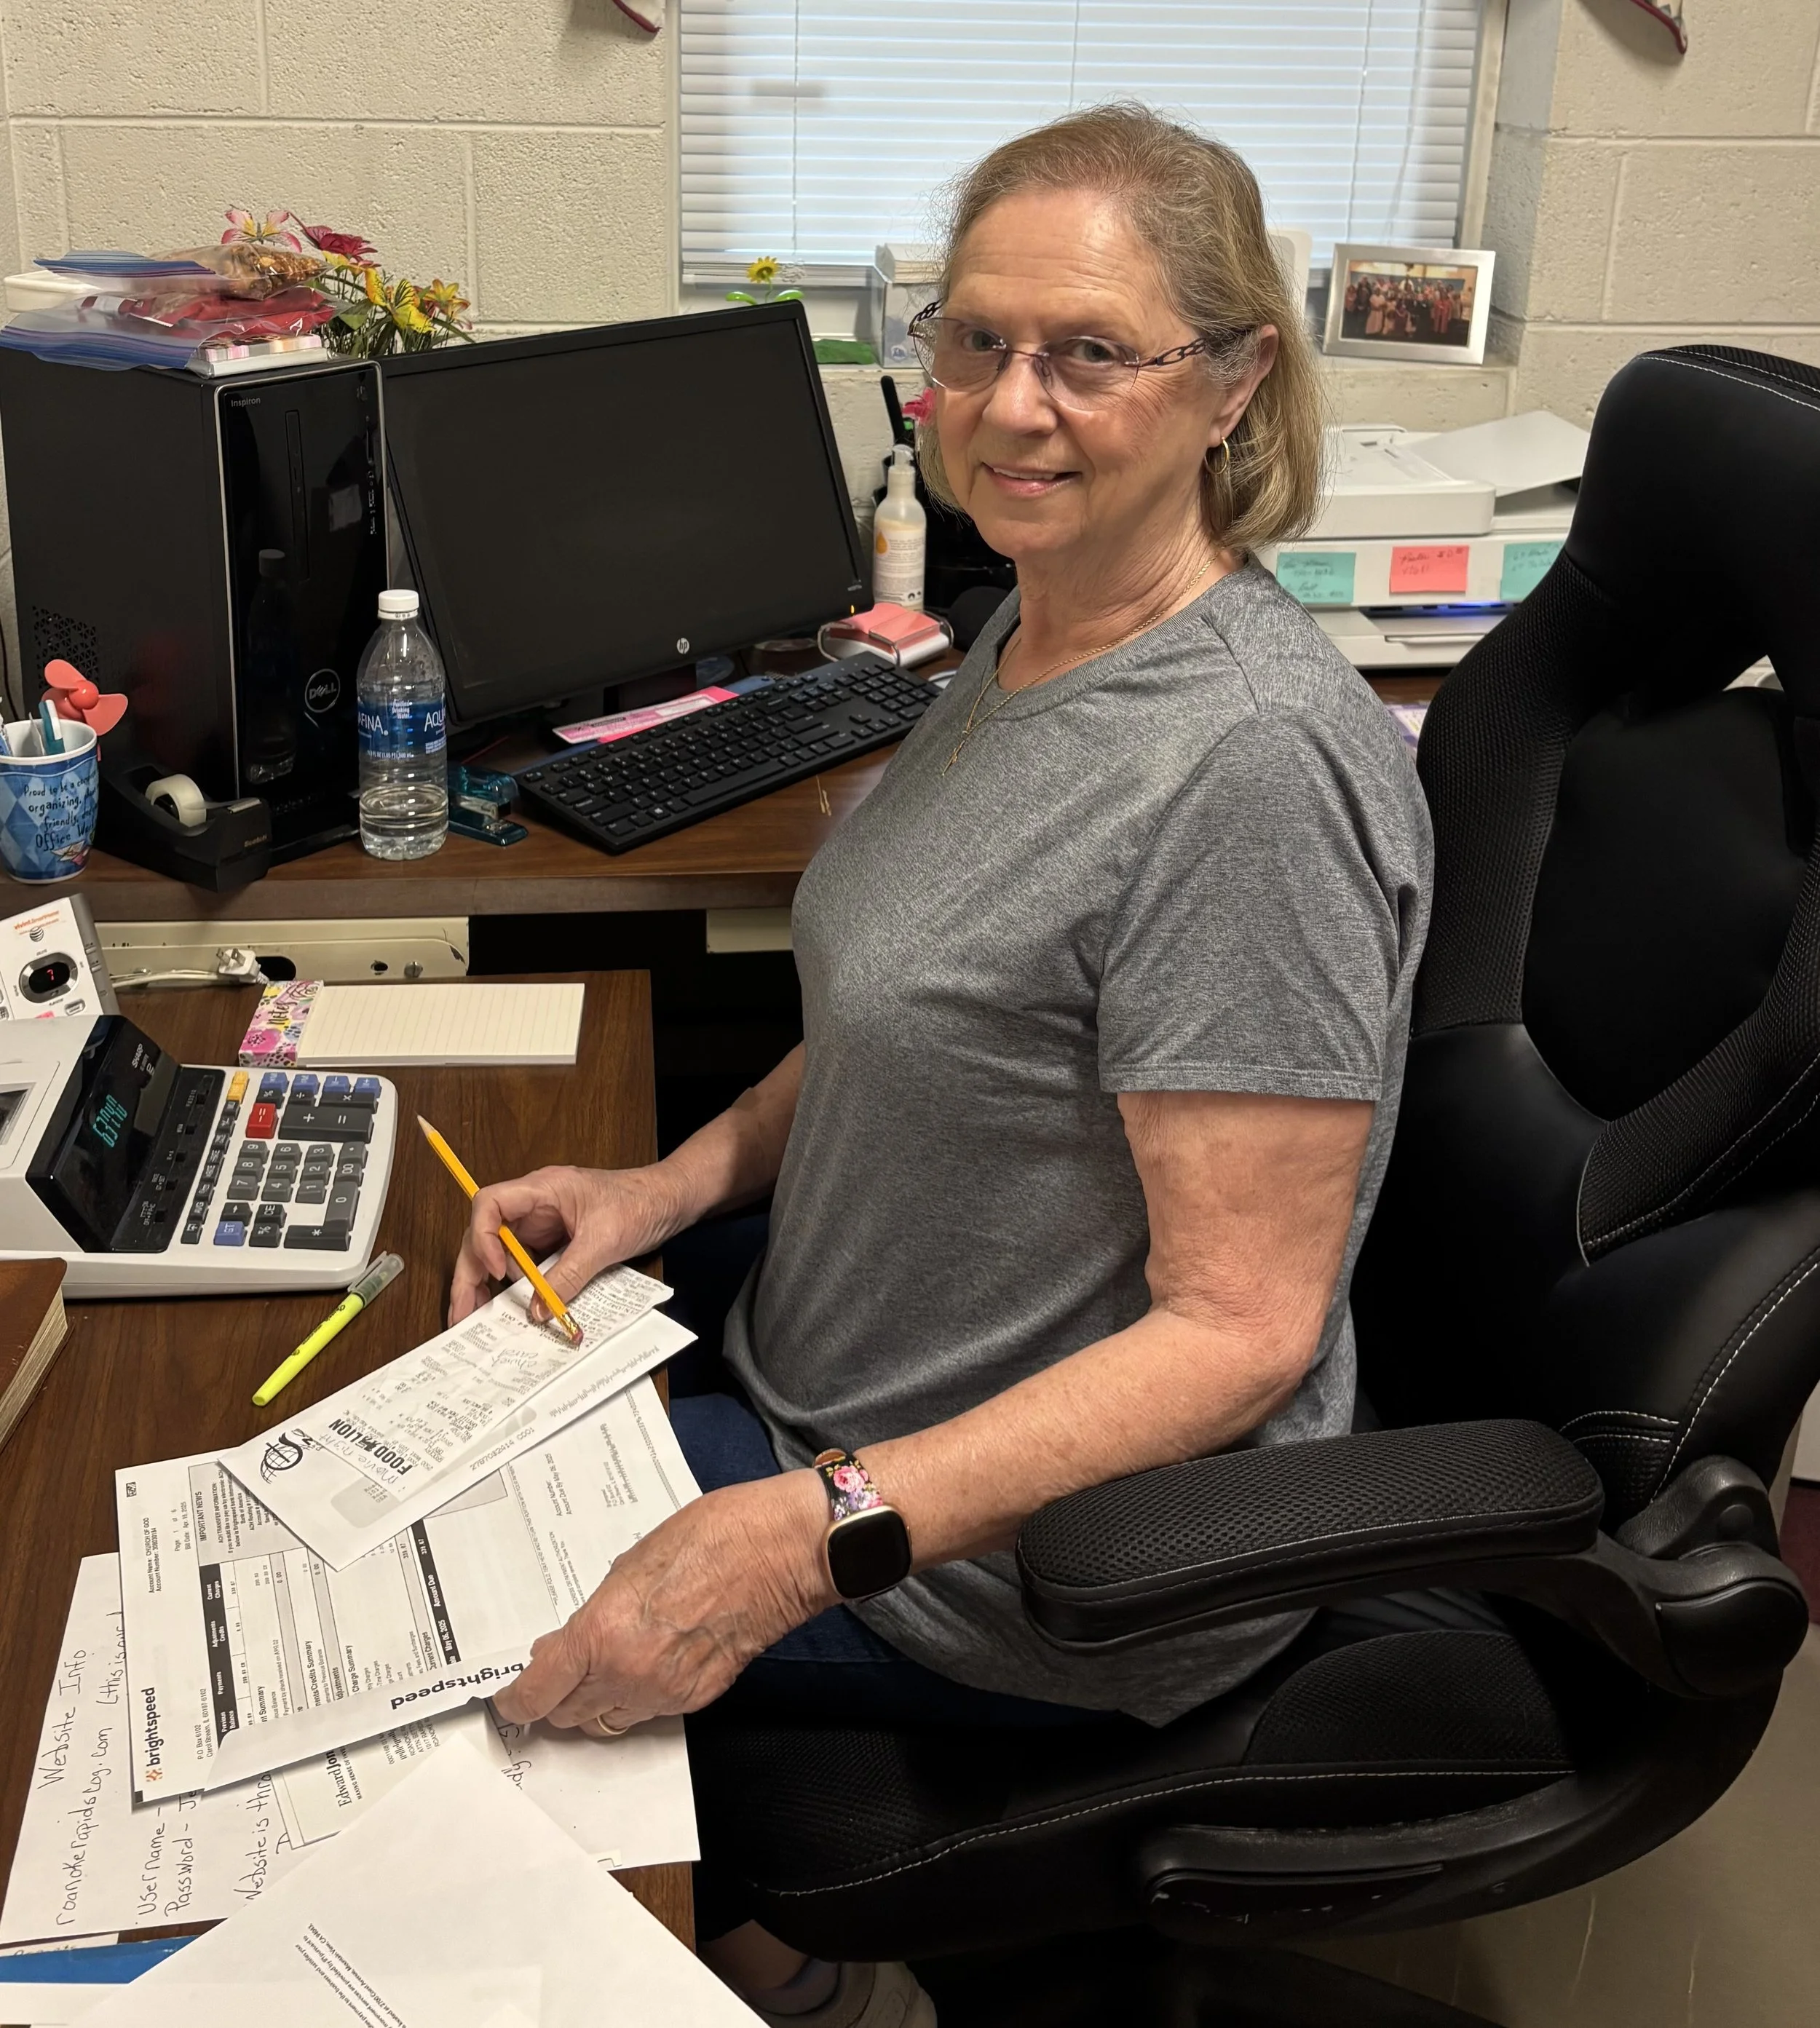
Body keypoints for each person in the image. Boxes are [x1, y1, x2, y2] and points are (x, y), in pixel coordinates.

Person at [451, 103, 1433, 2027]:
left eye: (1088, 351)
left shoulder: (1244, 771)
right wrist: (660, 1191)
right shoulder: (1019, 633)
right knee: (422, 1421)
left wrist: (807, 1540)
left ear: (1231, 380)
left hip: (1017, 1564)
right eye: (973, 342)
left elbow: (1239, 1330)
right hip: (826, 1387)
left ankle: (792, 1979)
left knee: (422, 1665)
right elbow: (909, 1003)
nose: (1010, 405)